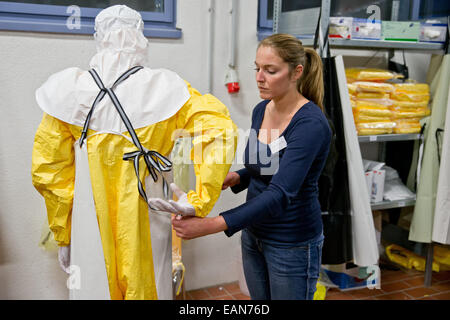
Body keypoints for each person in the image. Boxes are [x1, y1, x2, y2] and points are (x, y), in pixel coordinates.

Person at [31, 5, 237, 300]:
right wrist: (200, 198)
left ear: (98, 37)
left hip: (90, 224)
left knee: (94, 286)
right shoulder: (165, 88)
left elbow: (50, 171)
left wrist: (64, 234)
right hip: (148, 214)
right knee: (147, 285)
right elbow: (218, 127)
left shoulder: (69, 91)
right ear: (141, 37)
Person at [154, 33, 332, 300]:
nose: (259, 77)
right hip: (254, 234)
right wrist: (238, 177)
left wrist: (211, 225)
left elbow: (281, 192)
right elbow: (270, 163)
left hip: (291, 242)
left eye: (271, 71)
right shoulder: (263, 110)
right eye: (257, 68)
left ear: (297, 72)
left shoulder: (310, 125)